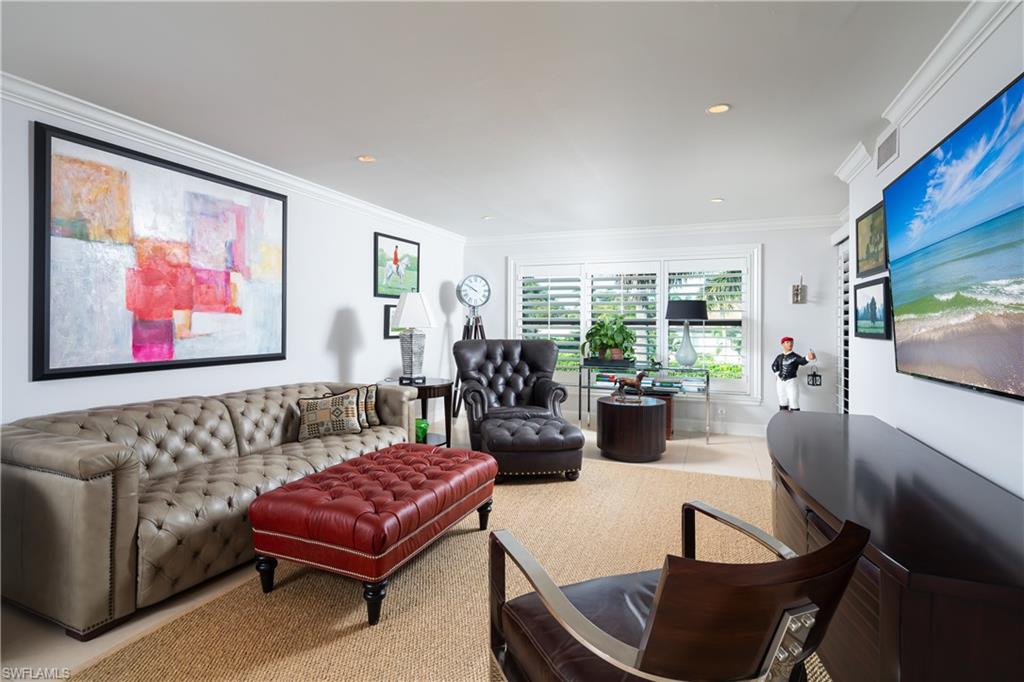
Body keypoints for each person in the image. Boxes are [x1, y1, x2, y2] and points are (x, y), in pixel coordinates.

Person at [772, 336, 816, 411]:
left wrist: (808, 357)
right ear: (782, 344)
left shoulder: (795, 356)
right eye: (787, 342)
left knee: (793, 401)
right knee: (782, 400)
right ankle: (783, 419)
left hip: (791, 381)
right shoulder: (779, 357)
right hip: (780, 382)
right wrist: (778, 374)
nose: (790, 344)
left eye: (791, 342)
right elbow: (774, 366)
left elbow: (802, 361)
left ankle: (794, 421)